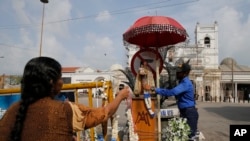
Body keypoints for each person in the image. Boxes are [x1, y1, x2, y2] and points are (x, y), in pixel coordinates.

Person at [0, 56, 130, 141]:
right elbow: (105, 113)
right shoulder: (64, 110)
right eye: (60, 78)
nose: (62, 82)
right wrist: (120, 96)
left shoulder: (12, 111)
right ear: (51, 82)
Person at [144, 60, 199, 140]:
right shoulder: (182, 82)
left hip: (189, 113)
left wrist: (154, 89)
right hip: (185, 111)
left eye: (179, 72)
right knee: (184, 136)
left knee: (190, 137)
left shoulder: (185, 83)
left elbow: (172, 92)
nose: (177, 73)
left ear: (185, 73)